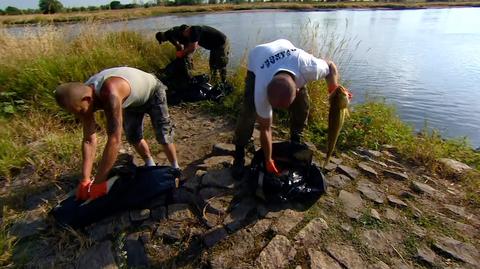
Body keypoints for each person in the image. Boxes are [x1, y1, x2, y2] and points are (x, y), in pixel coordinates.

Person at [55, 67, 179, 200]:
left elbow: (115, 140)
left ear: (87, 99)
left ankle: (175, 168)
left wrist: (98, 183)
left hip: (153, 91)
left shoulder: (110, 93)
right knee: (133, 136)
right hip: (131, 101)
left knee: (163, 135)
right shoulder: (82, 98)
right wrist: (85, 179)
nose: (80, 115)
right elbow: (88, 140)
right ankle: (150, 164)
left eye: (79, 111)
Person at [232, 39, 345, 179]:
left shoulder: (310, 67)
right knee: (249, 111)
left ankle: (296, 137)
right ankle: (239, 151)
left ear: (297, 89)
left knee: (302, 104)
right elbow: (265, 128)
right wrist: (268, 160)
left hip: (288, 54)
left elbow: (331, 67)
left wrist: (333, 89)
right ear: (267, 91)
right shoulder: (261, 86)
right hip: (258, 57)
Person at [156, 25, 229, 84]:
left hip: (221, 44)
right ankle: (214, 82)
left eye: (184, 35)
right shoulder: (189, 32)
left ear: (186, 31)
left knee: (221, 64)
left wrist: (182, 53)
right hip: (213, 47)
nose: (185, 37)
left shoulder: (194, 31)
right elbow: (192, 45)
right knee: (213, 65)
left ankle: (224, 82)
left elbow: (192, 47)